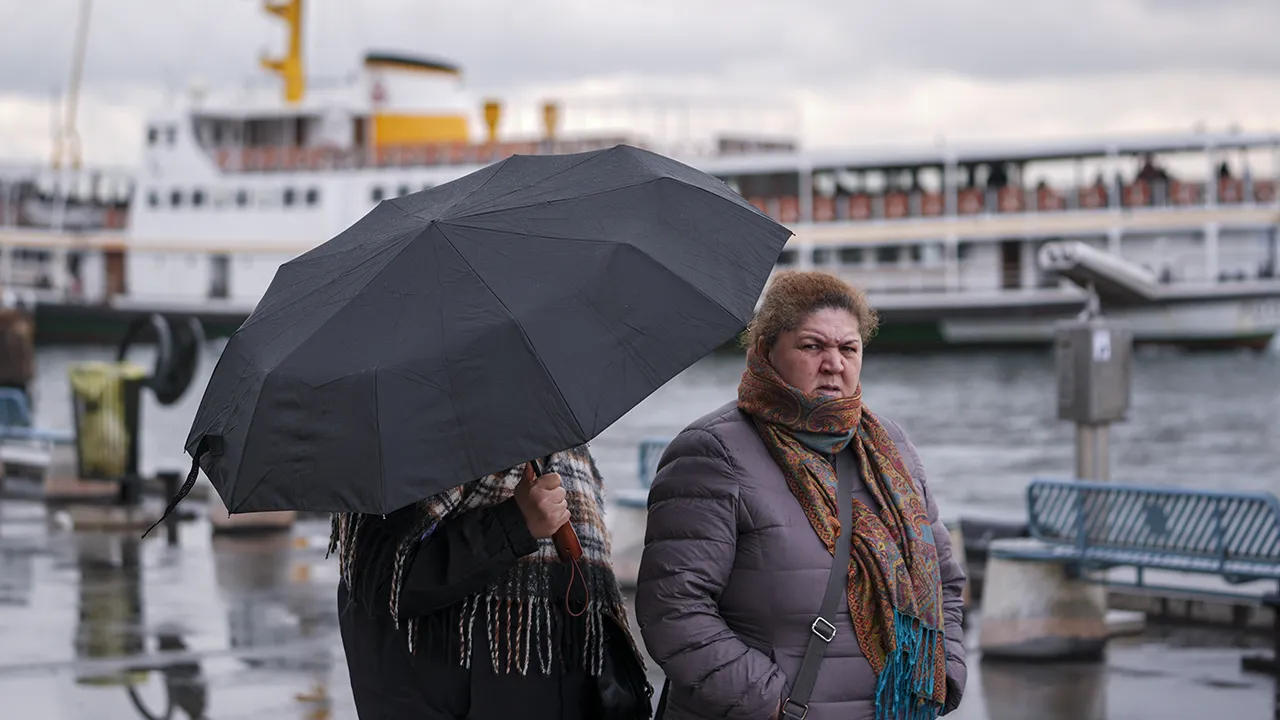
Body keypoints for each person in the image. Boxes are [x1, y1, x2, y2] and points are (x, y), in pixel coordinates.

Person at [635, 270, 967, 720]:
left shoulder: (891, 447)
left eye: (848, 348)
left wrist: (943, 672)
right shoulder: (713, 452)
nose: (834, 363)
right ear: (767, 349)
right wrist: (771, 702)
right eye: (812, 346)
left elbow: (944, 579)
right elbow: (674, 608)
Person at [331, 444, 651, 719]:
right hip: (441, 690)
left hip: (551, 682)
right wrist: (515, 523)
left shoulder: (562, 443)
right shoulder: (405, 442)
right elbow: (381, 579)